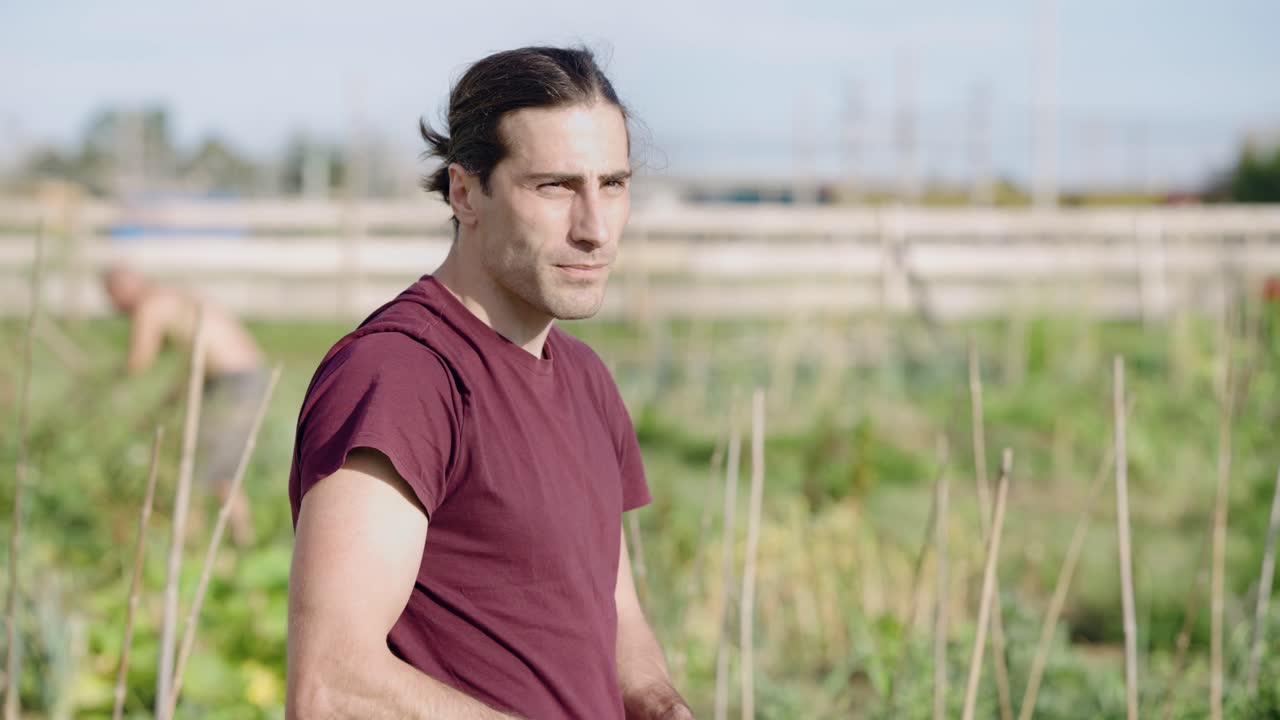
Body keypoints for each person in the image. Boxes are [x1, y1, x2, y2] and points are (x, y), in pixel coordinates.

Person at [285, 46, 693, 719]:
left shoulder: (586, 380)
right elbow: (333, 687)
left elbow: (612, 613)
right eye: (556, 186)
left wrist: (660, 704)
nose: (595, 229)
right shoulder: (403, 376)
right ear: (465, 192)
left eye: (612, 185)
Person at [103, 265, 265, 545]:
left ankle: (197, 541)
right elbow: (193, 366)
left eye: (112, 298)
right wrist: (165, 405)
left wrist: (103, 379)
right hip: (241, 375)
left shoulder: (151, 306)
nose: (114, 308)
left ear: (122, 289)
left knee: (204, 465)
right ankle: (236, 539)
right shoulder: (175, 298)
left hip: (232, 381)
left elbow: (138, 361)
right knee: (216, 464)